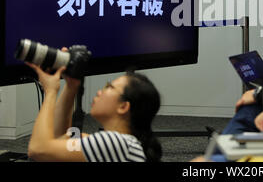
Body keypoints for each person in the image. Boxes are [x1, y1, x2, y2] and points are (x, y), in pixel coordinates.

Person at [26, 54, 162, 162]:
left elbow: (38, 150)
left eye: (109, 87)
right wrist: (71, 86)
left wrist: (50, 91)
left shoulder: (115, 143)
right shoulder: (121, 144)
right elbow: (60, 139)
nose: (99, 92)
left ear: (123, 106)